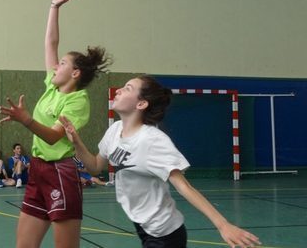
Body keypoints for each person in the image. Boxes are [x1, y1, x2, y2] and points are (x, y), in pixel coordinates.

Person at [60, 76, 262, 248]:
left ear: (141, 104)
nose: (119, 90)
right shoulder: (114, 130)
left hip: (165, 234)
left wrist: (222, 224)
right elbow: (95, 166)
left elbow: (184, 186)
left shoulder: (153, 140)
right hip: (144, 226)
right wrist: (77, 142)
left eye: (128, 88)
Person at [0, 0, 111, 248]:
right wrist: (54, 7)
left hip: (61, 172)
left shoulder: (77, 101)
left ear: (75, 74)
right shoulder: (52, 85)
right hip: (37, 169)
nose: (56, 66)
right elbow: (50, 43)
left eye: (62, 63)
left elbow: (52, 137)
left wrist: (26, 120)